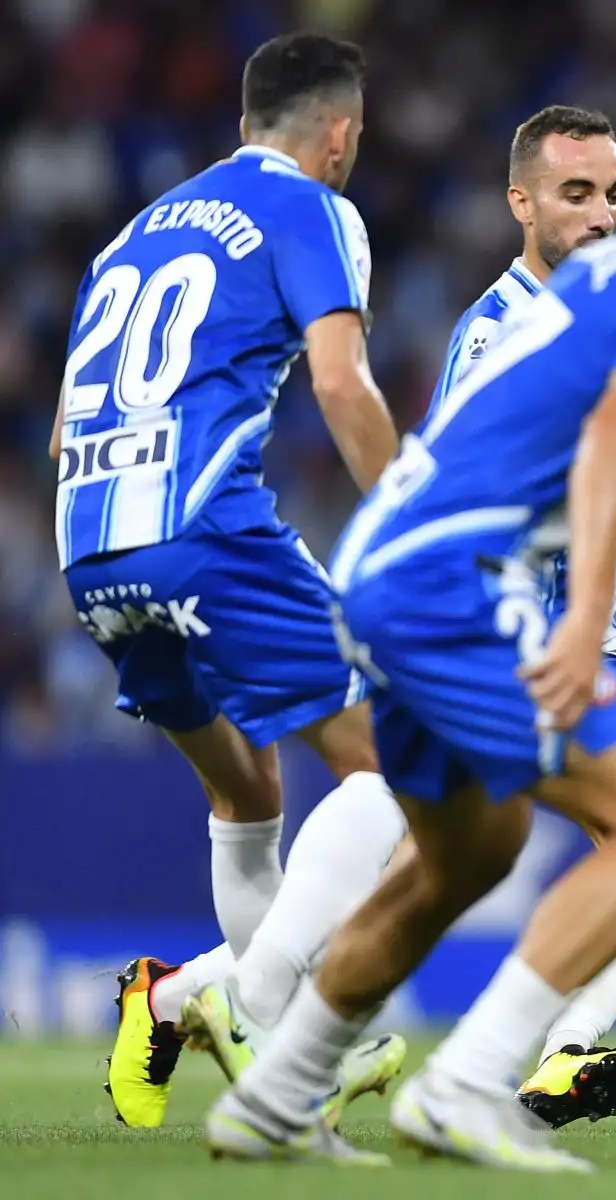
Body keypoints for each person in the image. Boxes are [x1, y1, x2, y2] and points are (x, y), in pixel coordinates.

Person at [200, 83, 616, 1170]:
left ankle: (273, 1097)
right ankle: (464, 1084)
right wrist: (588, 616)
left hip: (380, 570)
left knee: (467, 852)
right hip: (467, 591)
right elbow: (615, 439)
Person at [177, 103, 616, 1132]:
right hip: (478, 629)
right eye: (575, 195)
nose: (602, 216)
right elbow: (459, 482)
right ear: (521, 203)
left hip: (576, 638)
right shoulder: (501, 330)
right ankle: (221, 996)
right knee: (423, 832)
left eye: (614, 195)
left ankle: (559, 1064)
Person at [51, 31, 407, 1128]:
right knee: (401, 759)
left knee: (246, 794)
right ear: (337, 133)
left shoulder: (131, 235)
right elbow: (344, 385)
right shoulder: (311, 205)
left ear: (245, 120)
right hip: (202, 529)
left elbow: (76, 406)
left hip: (89, 543)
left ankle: (230, 1036)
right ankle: (235, 1010)